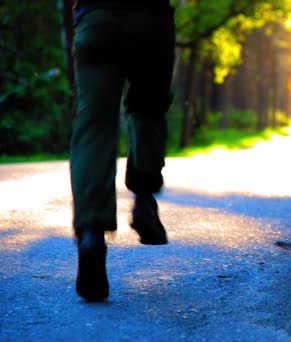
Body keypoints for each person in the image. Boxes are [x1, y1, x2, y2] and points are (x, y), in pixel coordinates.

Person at [70, 0, 175, 302]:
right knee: (148, 110)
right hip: (151, 23)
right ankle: (144, 200)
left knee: (95, 124)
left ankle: (91, 232)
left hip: (96, 19)